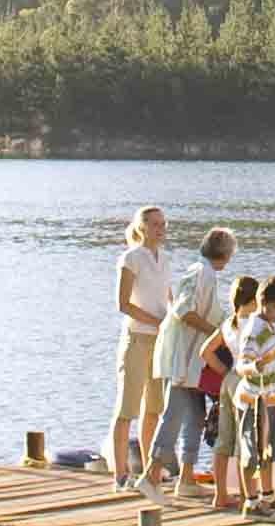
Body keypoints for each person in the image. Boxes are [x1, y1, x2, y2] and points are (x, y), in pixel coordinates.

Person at [143, 227, 238, 494]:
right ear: (227, 254)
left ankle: (186, 478)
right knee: (174, 414)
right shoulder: (202, 273)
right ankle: (151, 475)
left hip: (195, 363)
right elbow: (184, 311)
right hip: (186, 360)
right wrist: (215, 334)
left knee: (196, 417)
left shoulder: (202, 271)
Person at [107, 207, 172, 491]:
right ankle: (120, 475)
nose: (160, 229)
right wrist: (155, 321)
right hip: (136, 339)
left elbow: (169, 299)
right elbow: (124, 304)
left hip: (160, 342)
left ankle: (150, 472)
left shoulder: (165, 259)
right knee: (127, 409)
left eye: (163, 224)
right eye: (155, 224)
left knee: (154, 409)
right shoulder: (131, 258)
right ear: (142, 227)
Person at [221, 277, 275, 508]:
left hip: (269, 399)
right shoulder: (254, 329)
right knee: (251, 452)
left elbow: (272, 357)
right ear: (262, 301)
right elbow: (242, 365)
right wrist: (255, 367)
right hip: (253, 400)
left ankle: (268, 496)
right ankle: (251, 502)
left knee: (268, 450)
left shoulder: (268, 327)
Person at [195, 276, 265, 506]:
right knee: (246, 439)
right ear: (255, 299)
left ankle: (220, 494)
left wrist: (225, 372)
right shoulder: (256, 325)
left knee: (223, 440)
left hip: (230, 380)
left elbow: (205, 351)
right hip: (248, 382)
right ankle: (247, 494)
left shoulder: (228, 323)